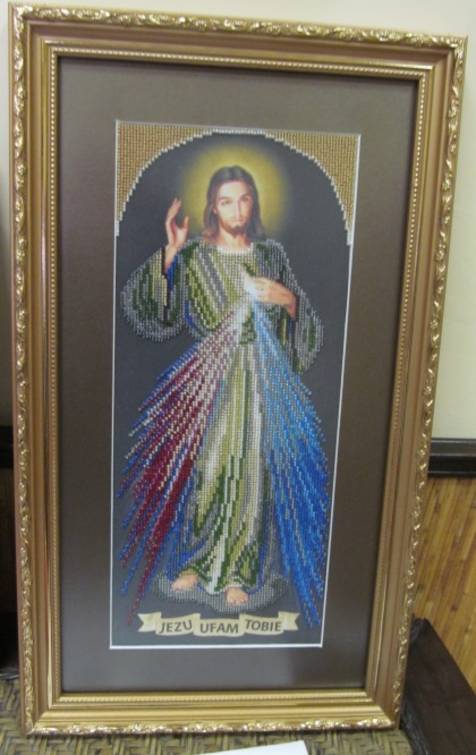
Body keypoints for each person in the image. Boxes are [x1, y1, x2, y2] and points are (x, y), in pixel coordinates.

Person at [117, 165, 330, 626]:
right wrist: (170, 255)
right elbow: (155, 315)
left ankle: (240, 571)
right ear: (213, 206)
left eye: (245, 199)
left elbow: (302, 324)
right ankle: (195, 562)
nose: (237, 209)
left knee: (251, 474)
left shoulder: (271, 255)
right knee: (207, 470)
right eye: (227, 201)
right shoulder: (194, 255)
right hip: (208, 382)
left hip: (259, 381)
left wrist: (288, 301)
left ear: (254, 203)